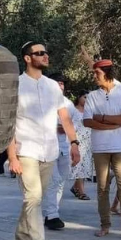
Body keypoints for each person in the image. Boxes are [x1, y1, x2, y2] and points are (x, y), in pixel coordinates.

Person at [7, 42, 80, 240]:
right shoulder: (15, 85)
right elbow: (8, 123)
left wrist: (74, 143)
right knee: (33, 198)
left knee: (34, 200)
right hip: (25, 150)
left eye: (46, 52)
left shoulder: (52, 86)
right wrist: (12, 156)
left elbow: (64, 117)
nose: (45, 56)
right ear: (27, 58)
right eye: (40, 53)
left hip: (50, 151)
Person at [83, 59, 121, 237]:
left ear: (107, 73)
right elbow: (87, 121)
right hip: (100, 147)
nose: (95, 77)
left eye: (98, 73)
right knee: (102, 188)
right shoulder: (92, 96)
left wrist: (101, 118)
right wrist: (113, 123)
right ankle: (105, 225)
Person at [44, 72, 78, 231]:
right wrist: (58, 126)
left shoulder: (68, 104)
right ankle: (52, 215)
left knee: (60, 182)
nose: (60, 85)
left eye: (62, 83)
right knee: (54, 180)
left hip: (64, 147)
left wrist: (75, 147)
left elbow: (72, 126)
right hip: (47, 147)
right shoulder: (43, 102)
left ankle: (52, 212)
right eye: (57, 82)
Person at [70, 91, 93, 199]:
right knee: (79, 166)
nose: (86, 100)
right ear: (79, 97)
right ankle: (81, 192)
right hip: (77, 141)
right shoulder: (73, 110)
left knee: (85, 167)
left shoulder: (90, 111)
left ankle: (76, 187)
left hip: (88, 141)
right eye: (84, 97)